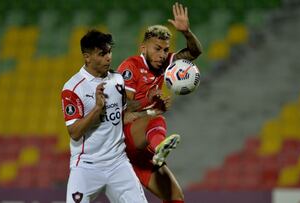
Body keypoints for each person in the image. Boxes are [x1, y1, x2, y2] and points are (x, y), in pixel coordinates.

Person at [117, 2, 202, 203]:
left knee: (175, 197)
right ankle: (159, 149)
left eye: (165, 50)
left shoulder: (165, 64)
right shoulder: (130, 67)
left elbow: (194, 52)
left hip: (139, 153)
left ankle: (157, 151)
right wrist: (150, 101)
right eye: (157, 49)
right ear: (143, 47)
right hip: (123, 137)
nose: (162, 55)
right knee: (157, 119)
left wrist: (187, 32)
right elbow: (122, 109)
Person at [61, 29, 147, 203]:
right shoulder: (73, 88)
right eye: (102, 53)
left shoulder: (117, 79)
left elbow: (123, 114)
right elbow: (75, 132)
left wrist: (150, 104)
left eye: (109, 52)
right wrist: (97, 109)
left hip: (118, 163)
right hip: (86, 167)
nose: (109, 57)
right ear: (87, 57)